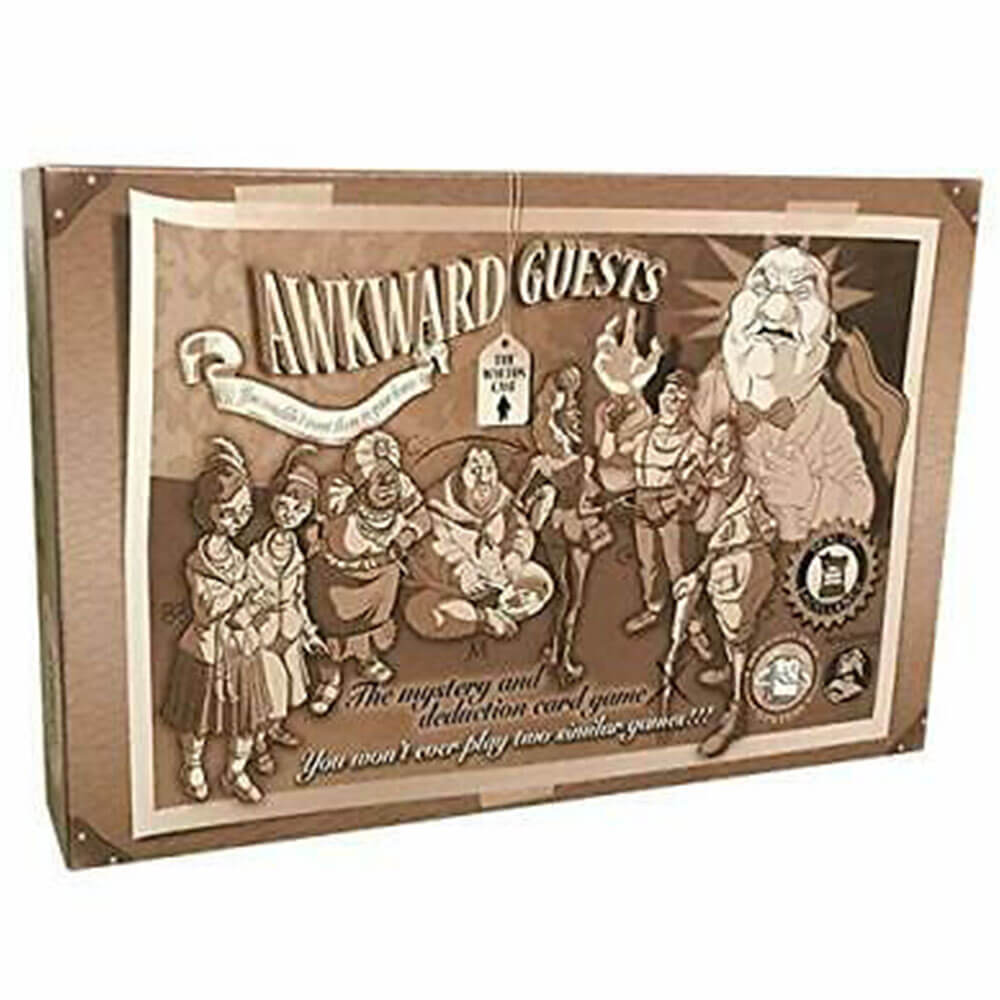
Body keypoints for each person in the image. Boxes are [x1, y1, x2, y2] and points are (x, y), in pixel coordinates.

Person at [693, 245, 875, 542]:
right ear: (730, 314)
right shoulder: (708, 391)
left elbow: (861, 504)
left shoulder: (827, 416)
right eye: (761, 288)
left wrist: (810, 492)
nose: (775, 309)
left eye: (802, 293)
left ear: (829, 329)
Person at [161, 438, 271, 804]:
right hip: (207, 652)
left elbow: (242, 606)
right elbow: (207, 608)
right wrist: (241, 592)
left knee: (246, 719)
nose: (237, 521)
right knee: (198, 718)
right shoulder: (199, 561)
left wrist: (254, 605)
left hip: (240, 648)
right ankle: (192, 766)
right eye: (227, 514)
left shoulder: (238, 556)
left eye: (244, 512)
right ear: (208, 513)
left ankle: (236, 771)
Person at [661, 418, 778, 757]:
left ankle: (736, 709)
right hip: (722, 569)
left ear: (741, 454)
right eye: (714, 447)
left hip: (745, 571)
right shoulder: (715, 491)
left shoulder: (752, 495)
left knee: (737, 636)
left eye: (726, 449)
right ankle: (727, 668)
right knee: (704, 615)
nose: (717, 456)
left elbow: (768, 532)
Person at [305, 431, 429, 703]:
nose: (387, 486)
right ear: (361, 484)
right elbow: (319, 527)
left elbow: (422, 517)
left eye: (390, 476)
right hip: (338, 577)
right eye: (377, 479)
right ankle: (330, 677)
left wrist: (405, 537)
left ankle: (367, 660)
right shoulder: (340, 495)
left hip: (380, 576)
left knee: (371, 625)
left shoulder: (403, 487)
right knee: (332, 624)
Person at [516, 365, 613, 682]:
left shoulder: (540, 462)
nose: (578, 418)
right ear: (559, 422)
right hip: (576, 530)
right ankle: (564, 660)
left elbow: (520, 502)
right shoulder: (584, 463)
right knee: (574, 599)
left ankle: (554, 649)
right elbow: (591, 499)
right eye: (572, 415)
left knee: (562, 593)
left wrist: (543, 497)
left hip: (552, 529)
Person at [405, 446, 554, 641]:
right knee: (424, 612)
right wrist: (464, 574)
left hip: (500, 577)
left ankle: (509, 610)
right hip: (451, 587)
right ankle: (483, 619)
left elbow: (520, 529)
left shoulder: (503, 499)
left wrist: (515, 555)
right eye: (475, 472)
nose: (484, 479)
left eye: (489, 470)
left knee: (540, 580)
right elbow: (439, 548)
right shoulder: (437, 508)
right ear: (460, 476)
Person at [601, 369, 706, 635]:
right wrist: (611, 428)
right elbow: (612, 455)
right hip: (643, 501)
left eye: (681, 396)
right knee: (648, 562)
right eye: (670, 393)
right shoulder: (645, 434)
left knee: (678, 565)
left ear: (690, 402)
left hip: (675, 506)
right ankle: (654, 607)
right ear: (660, 397)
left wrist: (670, 505)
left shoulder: (695, 440)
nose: (674, 400)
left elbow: (697, 486)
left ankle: (691, 618)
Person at [245, 445, 327, 775]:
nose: (290, 512)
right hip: (263, 635)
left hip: (290, 632)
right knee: (267, 694)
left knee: (287, 691)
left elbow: (298, 597)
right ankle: (259, 745)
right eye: (284, 504)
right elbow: (245, 594)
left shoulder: (296, 551)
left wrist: (308, 633)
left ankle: (275, 730)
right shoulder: (256, 552)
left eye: (299, 507)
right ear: (272, 503)